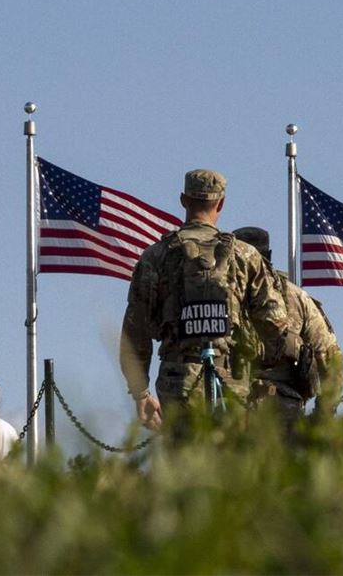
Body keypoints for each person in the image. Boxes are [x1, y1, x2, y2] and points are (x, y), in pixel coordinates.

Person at [119, 169, 299, 432]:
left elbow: (135, 332)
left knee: (184, 456)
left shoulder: (155, 256)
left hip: (177, 380)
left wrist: (140, 394)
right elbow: (275, 323)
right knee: (229, 455)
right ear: (221, 203)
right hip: (232, 380)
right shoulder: (245, 255)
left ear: (183, 200)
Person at [232, 226, 343, 429]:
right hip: (274, 415)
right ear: (268, 256)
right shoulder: (297, 297)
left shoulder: (221, 297)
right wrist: (321, 419)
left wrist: (321, 417)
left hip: (238, 415)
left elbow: (332, 361)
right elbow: (332, 364)